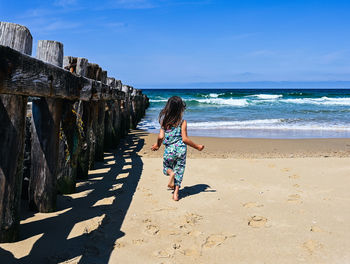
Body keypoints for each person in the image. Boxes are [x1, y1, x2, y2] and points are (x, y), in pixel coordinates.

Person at [151, 96, 204, 201]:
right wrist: (197, 146)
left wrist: (157, 145)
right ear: (180, 108)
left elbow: (161, 137)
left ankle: (171, 174)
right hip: (181, 150)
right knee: (179, 170)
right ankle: (175, 194)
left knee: (166, 168)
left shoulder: (164, 121)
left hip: (169, 150)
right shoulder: (182, 122)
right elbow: (184, 139)